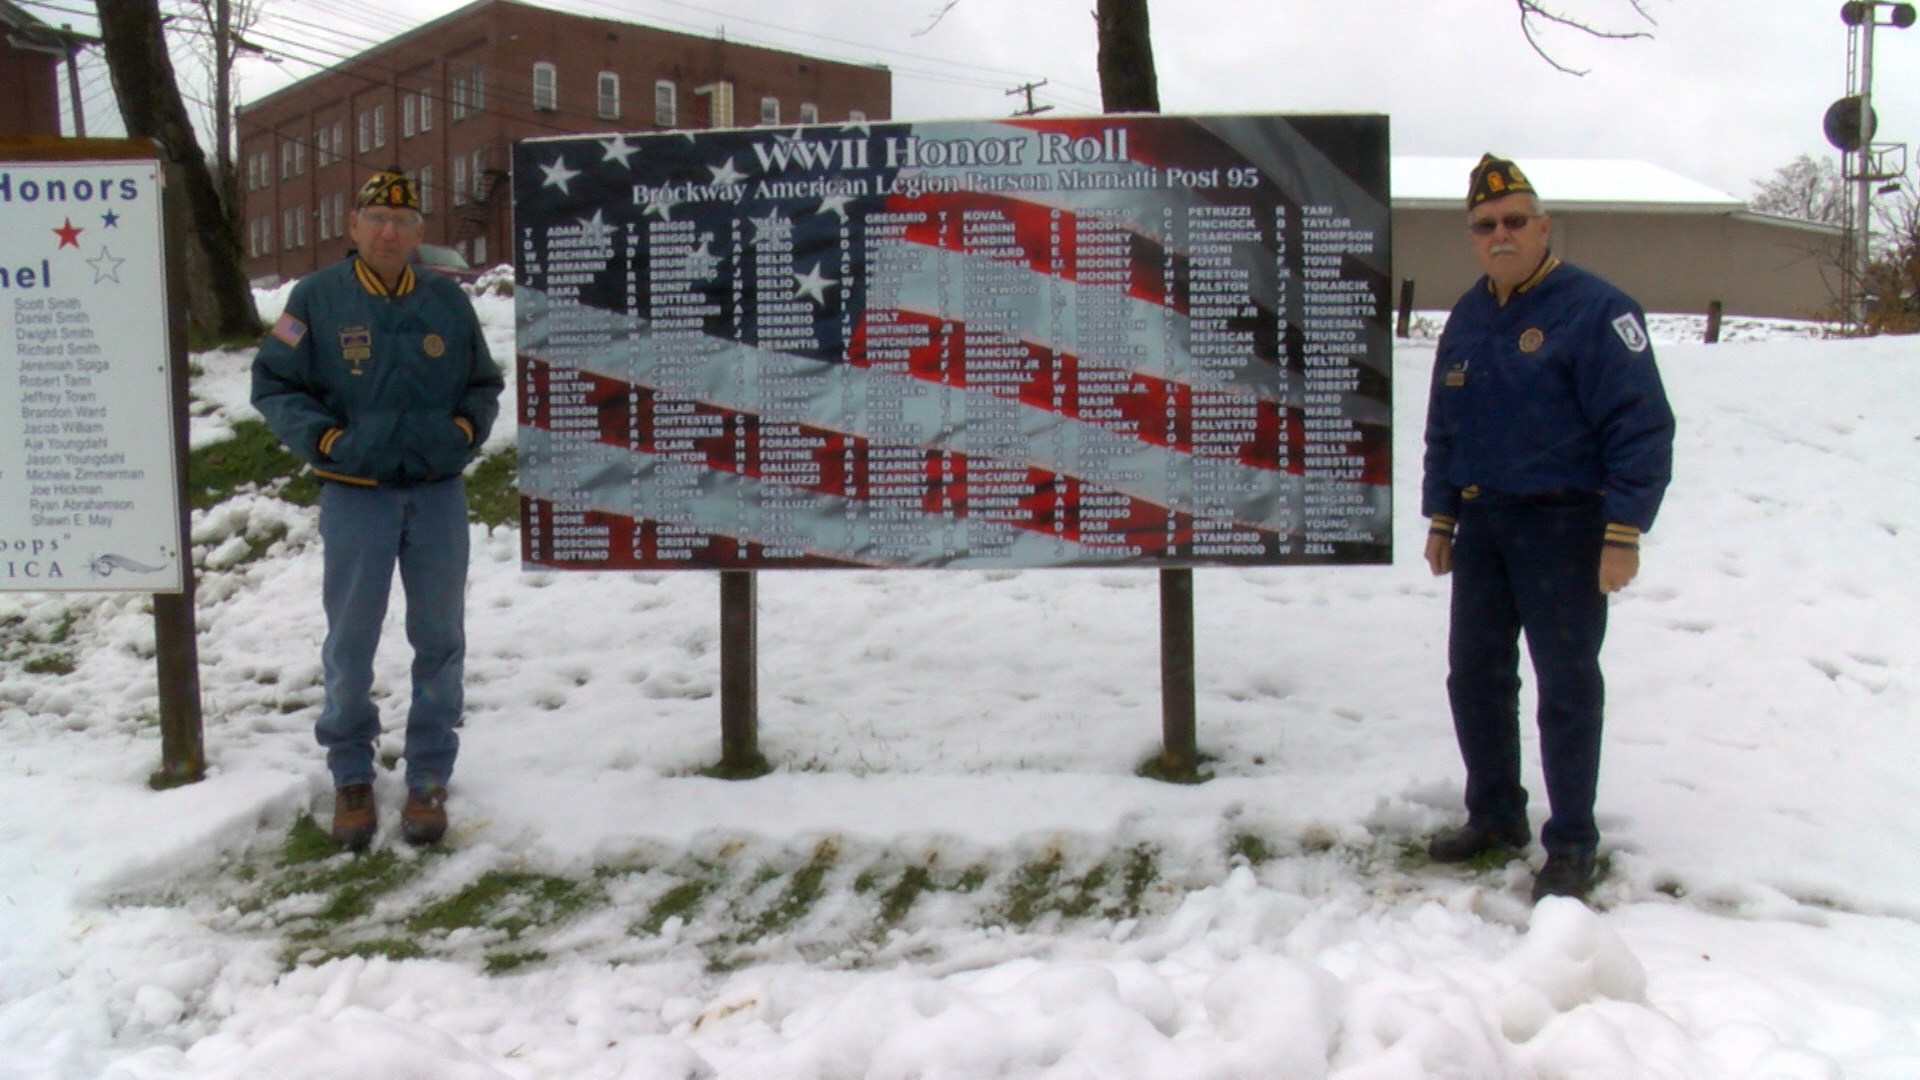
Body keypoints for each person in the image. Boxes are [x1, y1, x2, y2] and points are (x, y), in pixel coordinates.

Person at [1420, 154, 1674, 902]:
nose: (1501, 233)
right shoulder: (1468, 316)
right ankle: (1495, 815)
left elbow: (1642, 426)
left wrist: (1623, 529)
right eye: (1486, 225)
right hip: (1486, 527)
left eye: (1515, 221)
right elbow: (1446, 424)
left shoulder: (1596, 310)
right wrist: (1442, 516)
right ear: (1472, 237)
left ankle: (1571, 843)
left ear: (1542, 226)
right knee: (1475, 679)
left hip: (1565, 528)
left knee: (1566, 687)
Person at [252, 169, 504, 850]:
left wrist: (460, 433)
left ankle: (427, 772)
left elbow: (483, 382)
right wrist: (327, 439)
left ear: (419, 233)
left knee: (440, 637)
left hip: (436, 495)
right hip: (355, 498)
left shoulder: (444, 303)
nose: (389, 231)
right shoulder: (317, 299)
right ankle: (351, 774)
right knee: (351, 641)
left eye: (403, 221)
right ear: (354, 228)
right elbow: (273, 382)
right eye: (376, 219)